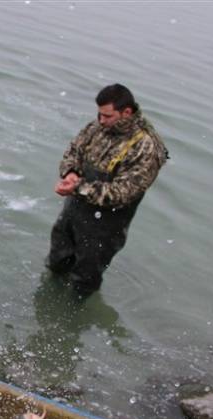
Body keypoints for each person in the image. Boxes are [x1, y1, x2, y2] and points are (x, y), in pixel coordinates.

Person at [47, 84, 168, 296]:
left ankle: (73, 318)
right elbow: (73, 150)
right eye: (99, 114)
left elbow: (123, 193)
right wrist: (71, 173)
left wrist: (78, 187)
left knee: (84, 280)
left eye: (107, 116)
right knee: (57, 261)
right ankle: (49, 296)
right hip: (74, 210)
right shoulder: (97, 127)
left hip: (105, 226)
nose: (101, 120)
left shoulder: (146, 146)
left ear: (126, 112)